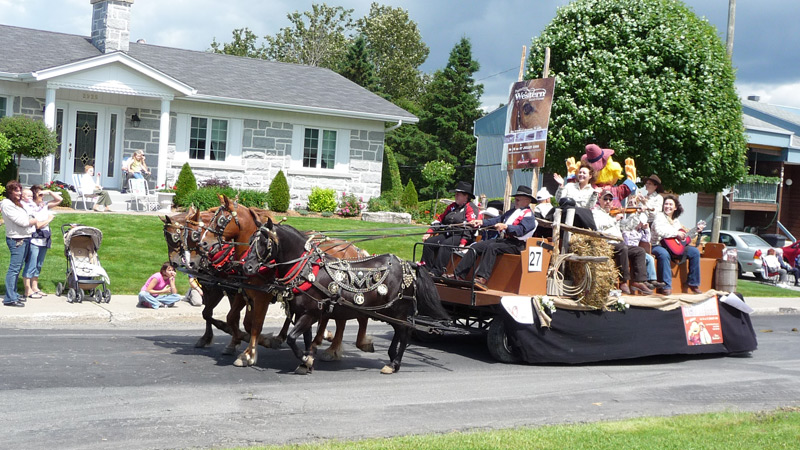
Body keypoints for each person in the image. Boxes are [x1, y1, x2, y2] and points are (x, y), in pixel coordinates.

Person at [450, 185, 537, 291]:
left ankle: (482, 278)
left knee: (492, 247)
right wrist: (481, 222)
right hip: (506, 241)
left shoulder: (529, 216)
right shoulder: (512, 212)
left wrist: (506, 227)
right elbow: (498, 219)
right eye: (516, 198)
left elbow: (521, 230)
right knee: (476, 247)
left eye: (518, 199)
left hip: (517, 244)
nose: (516, 200)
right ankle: (458, 275)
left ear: (527, 200)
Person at [592, 191, 653, 295]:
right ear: (600, 200)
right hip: (605, 243)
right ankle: (623, 281)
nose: (608, 202)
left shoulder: (613, 213)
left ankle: (638, 281)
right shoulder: (596, 213)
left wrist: (637, 214)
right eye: (605, 199)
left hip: (619, 244)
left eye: (610, 199)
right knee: (622, 247)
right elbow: (598, 226)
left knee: (639, 251)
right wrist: (614, 220)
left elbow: (627, 227)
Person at [2, 181, 50, 307]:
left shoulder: (16, 203)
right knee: (14, 269)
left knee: (17, 268)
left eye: (19, 190)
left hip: (24, 238)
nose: (19, 193)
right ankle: (9, 298)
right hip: (17, 240)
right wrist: (35, 220)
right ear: (10, 191)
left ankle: (14, 294)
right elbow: (22, 222)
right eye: (16, 191)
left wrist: (31, 219)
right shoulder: (7, 204)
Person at [421, 181, 479, 277]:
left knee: (445, 245)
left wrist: (463, 242)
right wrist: (429, 232)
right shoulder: (452, 207)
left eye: (458, 194)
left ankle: (437, 271)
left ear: (466, 196)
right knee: (429, 242)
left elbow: (470, 227)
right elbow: (440, 220)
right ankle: (424, 269)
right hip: (448, 233)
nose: (455, 196)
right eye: (456, 194)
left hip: (461, 236)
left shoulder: (471, 208)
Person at [651, 194, 705, 295]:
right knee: (664, 254)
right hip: (657, 245)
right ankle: (666, 286)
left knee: (694, 252)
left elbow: (683, 237)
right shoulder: (659, 216)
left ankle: (693, 283)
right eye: (666, 204)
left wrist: (696, 231)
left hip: (672, 247)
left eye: (670, 204)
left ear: (675, 207)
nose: (667, 206)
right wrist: (676, 233)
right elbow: (659, 231)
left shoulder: (676, 221)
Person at [22, 185, 61, 299]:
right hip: (35, 239)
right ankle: (27, 290)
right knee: (31, 264)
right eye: (40, 194)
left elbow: (60, 200)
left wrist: (49, 191)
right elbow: (38, 225)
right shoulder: (31, 208)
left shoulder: (44, 205)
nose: (42, 196)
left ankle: (35, 287)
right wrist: (49, 219)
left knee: (39, 265)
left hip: (45, 239)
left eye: (43, 194)